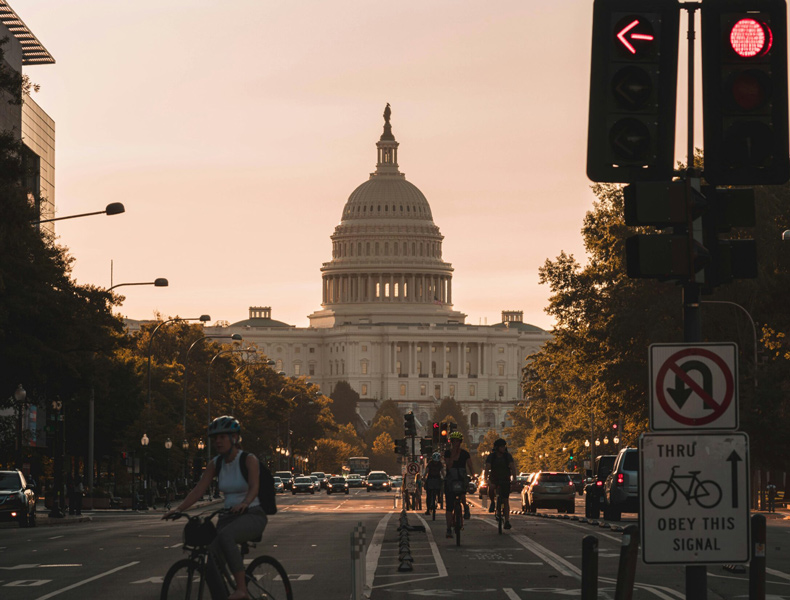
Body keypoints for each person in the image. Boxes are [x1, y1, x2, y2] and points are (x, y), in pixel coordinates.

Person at [164, 416, 266, 600]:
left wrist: (245, 503)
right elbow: (198, 490)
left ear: (234, 438)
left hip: (252, 514)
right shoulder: (216, 463)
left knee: (226, 536)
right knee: (211, 564)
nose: (217, 441)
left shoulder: (248, 460)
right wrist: (179, 509)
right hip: (228, 517)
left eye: (222, 437)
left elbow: (254, 487)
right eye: (215, 438)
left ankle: (242, 590)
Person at [444, 431, 474, 538]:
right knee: (449, 506)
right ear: (451, 442)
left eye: (457, 441)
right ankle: (448, 529)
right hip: (451, 479)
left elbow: (470, 465)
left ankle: (465, 507)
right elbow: (448, 466)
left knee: (462, 495)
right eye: (453, 441)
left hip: (461, 478)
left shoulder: (465, 453)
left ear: (460, 442)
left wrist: (473, 475)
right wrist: (453, 455)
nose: (455, 443)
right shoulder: (447, 453)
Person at [483, 438, 517, 530]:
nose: (503, 448)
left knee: (505, 500)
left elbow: (512, 467)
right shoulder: (492, 456)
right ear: (497, 448)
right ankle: (493, 502)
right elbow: (487, 468)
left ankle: (507, 521)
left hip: (505, 478)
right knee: (491, 487)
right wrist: (486, 479)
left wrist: (514, 479)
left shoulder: (507, 456)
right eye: (501, 447)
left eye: (504, 446)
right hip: (494, 478)